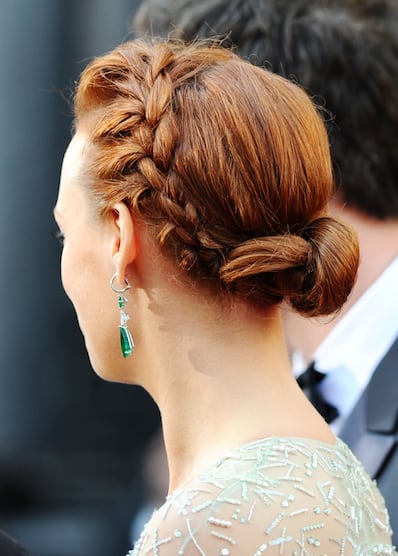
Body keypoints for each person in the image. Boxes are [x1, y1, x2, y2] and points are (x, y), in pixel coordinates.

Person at [54, 38, 396, 554]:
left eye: (64, 233)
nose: (64, 260)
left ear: (121, 238)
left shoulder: (208, 527)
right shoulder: (335, 470)